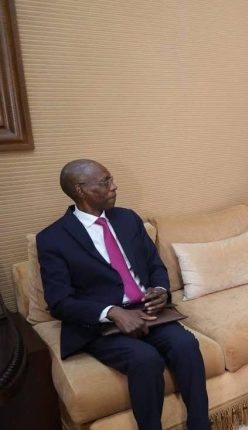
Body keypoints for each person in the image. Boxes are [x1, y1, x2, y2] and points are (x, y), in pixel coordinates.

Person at [36, 160, 210, 430]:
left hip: (148, 312)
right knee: (146, 360)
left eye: (111, 179)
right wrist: (112, 312)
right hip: (101, 326)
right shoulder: (53, 238)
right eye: (105, 182)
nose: (114, 186)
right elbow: (59, 302)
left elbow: (155, 265)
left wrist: (160, 290)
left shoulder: (128, 219)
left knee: (186, 345)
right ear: (80, 190)